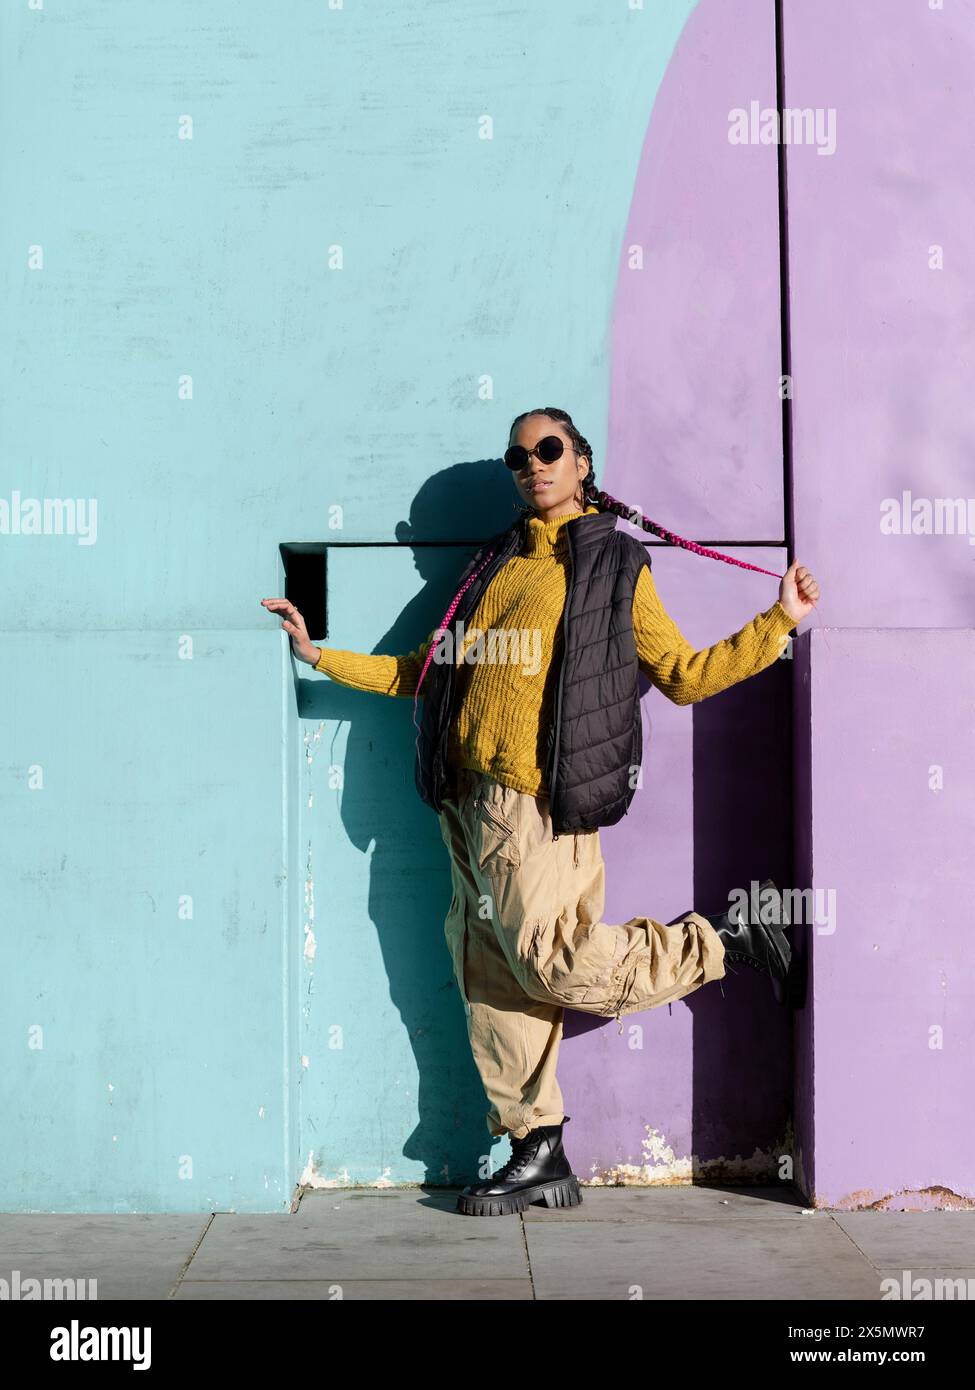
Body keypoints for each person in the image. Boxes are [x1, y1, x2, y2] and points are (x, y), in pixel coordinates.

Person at [261, 407, 821, 1218]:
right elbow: (425, 669)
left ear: (581, 461)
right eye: (517, 457)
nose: (532, 465)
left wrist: (778, 622)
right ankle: (536, 1147)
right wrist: (319, 655)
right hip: (462, 803)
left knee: (552, 965)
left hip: (533, 804)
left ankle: (724, 942)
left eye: (548, 450)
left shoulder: (611, 564)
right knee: (488, 976)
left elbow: (682, 674)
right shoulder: (494, 566)